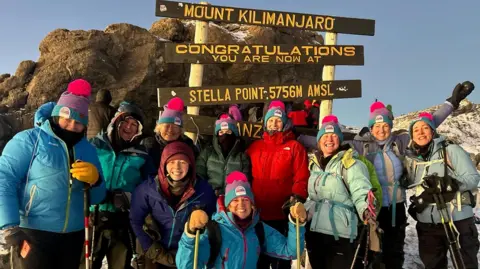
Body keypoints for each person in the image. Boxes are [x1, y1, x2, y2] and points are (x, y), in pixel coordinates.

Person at [348, 81, 475, 269]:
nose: (381, 130)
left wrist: (452, 102)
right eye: (376, 125)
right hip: (372, 207)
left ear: (390, 126)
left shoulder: (401, 141)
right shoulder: (361, 145)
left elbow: (428, 125)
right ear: (371, 127)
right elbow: (331, 140)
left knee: (395, 252)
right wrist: (297, 133)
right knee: (372, 253)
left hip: (396, 207)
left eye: (385, 125)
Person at [0, 79, 106, 269]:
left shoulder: (88, 150)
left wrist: (96, 180)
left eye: (78, 122)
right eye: (67, 118)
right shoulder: (29, 140)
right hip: (33, 233)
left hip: (73, 236)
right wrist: (9, 226)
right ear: (57, 114)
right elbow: (4, 178)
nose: (71, 125)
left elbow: (97, 198)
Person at [175, 171, 307, 269]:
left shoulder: (258, 229)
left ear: (252, 204)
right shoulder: (214, 230)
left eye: (245, 200)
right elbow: (186, 265)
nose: (241, 205)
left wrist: (297, 223)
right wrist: (190, 234)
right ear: (228, 205)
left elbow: (292, 252)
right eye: (235, 200)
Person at [403, 112, 480, 269]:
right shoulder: (413, 160)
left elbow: (473, 178)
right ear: (412, 135)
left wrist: (449, 184)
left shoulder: (450, 150)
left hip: (457, 219)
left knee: (465, 264)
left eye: (425, 128)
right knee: (433, 265)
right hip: (427, 223)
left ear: (433, 131)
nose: (421, 132)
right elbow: (410, 184)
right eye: (416, 130)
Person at [87, 101, 155, 269]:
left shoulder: (141, 154)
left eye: (134, 125)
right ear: (116, 121)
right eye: (126, 121)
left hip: (122, 220)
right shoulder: (94, 146)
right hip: (92, 218)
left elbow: (150, 187)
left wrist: (131, 197)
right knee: (86, 264)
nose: (129, 127)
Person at [130, 141, 216, 269]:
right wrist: (152, 249)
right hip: (154, 251)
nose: (177, 167)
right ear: (164, 164)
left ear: (190, 165)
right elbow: (136, 220)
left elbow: (212, 222)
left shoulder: (204, 191)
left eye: (182, 162)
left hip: (187, 252)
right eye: (171, 162)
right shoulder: (147, 190)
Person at [305, 115, 375, 269]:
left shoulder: (351, 163)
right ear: (319, 140)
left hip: (340, 235)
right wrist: (302, 211)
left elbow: (360, 188)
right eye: (325, 136)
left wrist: (365, 208)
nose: (329, 139)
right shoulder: (314, 165)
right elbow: (312, 197)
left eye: (334, 135)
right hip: (315, 233)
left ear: (340, 139)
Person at [246, 100, 309, 269]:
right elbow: (246, 176)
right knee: (258, 258)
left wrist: (297, 197)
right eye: (271, 120)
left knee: (281, 259)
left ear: (284, 123)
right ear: (265, 123)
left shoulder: (294, 147)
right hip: (257, 215)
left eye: (278, 120)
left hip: (282, 214)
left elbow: (302, 175)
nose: (274, 123)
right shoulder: (254, 147)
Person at [196, 113, 251, 195]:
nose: (225, 136)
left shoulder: (242, 156)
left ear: (234, 134)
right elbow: (199, 175)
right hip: (211, 197)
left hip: (232, 198)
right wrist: (208, 193)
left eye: (228, 132)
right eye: (221, 132)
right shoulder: (207, 153)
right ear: (216, 135)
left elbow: (245, 180)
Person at [149, 97, 199, 170]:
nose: (170, 130)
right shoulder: (149, 145)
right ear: (159, 128)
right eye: (166, 126)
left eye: (175, 127)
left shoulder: (188, 146)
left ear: (180, 130)